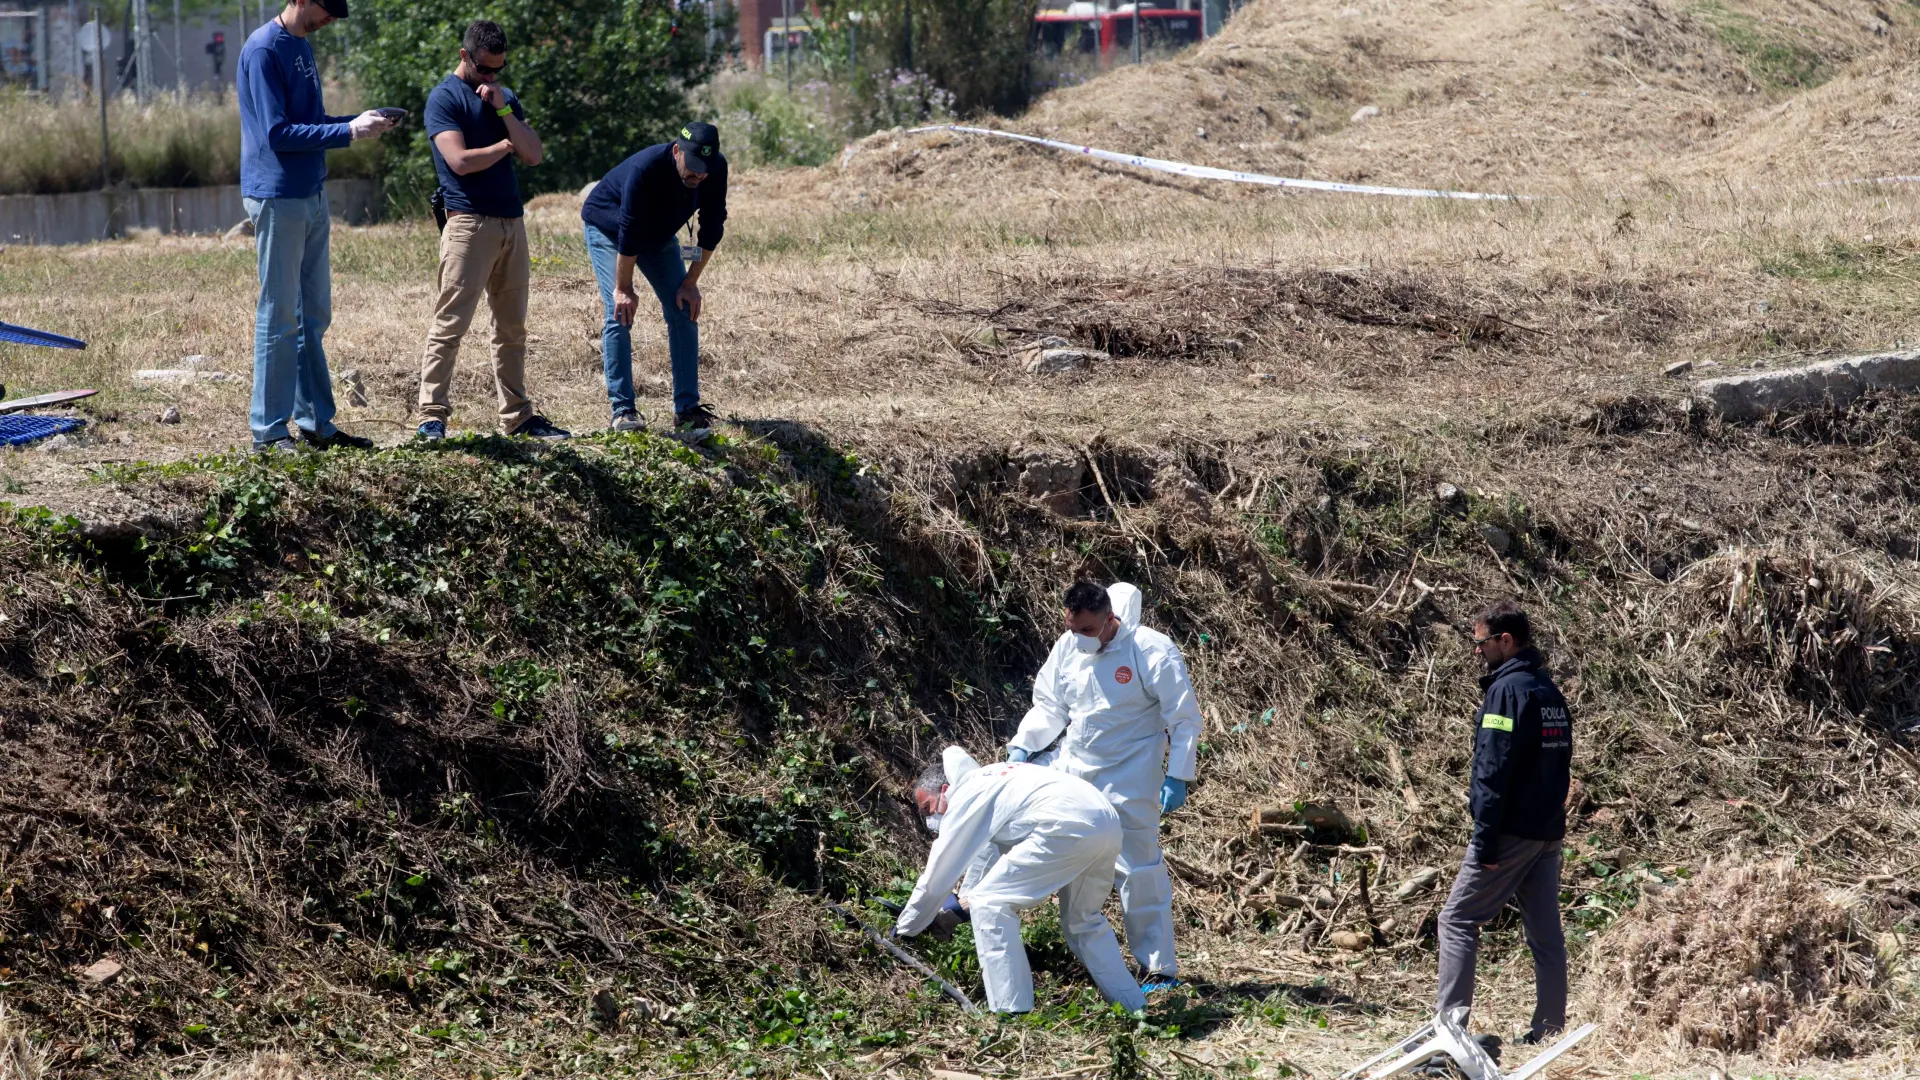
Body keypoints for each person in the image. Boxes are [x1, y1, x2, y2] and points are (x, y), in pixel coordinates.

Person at [1007, 580, 1202, 994]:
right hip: (1076, 767)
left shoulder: (1149, 649)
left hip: (1131, 773)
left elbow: (1182, 717)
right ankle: (966, 910)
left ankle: (1158, 969)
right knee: (1031, 831)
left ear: (1112, 619)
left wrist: (1178, 774)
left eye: (1088, 631)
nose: (1079, 638)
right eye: (1072, 628)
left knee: (1138, 869)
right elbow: (1050, 705)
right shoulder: (1068, 645)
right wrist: (1025, 744)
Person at [237, 0, 396, 453]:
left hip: (311, 191)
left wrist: (356, 123)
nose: (332, 19)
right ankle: (268, 433)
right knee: (279, 315)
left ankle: (316, 425)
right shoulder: (265, 49)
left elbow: (308, 124)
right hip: (278, 194)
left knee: (312, 315)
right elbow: (278, 134)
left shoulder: (301, 46)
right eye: (327, 9)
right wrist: (349, 133)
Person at [896, 746, 1148, 1016]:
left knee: (989, 903)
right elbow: (989, 854)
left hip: (1065, 825)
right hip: (1105, 822)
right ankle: (1134, 1008)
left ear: (945, 789)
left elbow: (939, 872)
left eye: (928, 808)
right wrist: (959, 905)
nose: (931, 819)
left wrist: (906, 928)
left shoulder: (966, 795)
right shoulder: (994, 779)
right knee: (1083, 921)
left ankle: (1011, 1012)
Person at [411, 20, 568, 442]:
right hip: (468, 223)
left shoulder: (505, 98)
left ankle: (517, 417)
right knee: (450, 325)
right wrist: (503, 146)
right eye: (485, 69)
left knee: (512, 329)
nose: (492, 76)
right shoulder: (444, 98)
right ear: (465, 57)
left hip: (511, 223)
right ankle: (431, 416)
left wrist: (502, 109)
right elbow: (459, 161)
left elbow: (533, 154)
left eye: (498, 69)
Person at [1435, 600, 1574, 1043]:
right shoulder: (1548, 689)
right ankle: (1550, 1030)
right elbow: (1560, 765)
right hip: (1547, 831)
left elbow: (1492, 768)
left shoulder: (1507, 692)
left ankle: (1449, 1033)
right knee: (1545, 933)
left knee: (1457, 920)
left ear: (1505, 641)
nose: (1477, 651)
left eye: (1481, 643)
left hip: (1511, 830)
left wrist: (1486, 837)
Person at [579, 123, 726, 435]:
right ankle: (623, 411)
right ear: (677, 152)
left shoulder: (715, 170)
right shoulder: (646, 169)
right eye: (694, 167)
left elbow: (712, 227)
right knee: (620, 312)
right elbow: (629, 232)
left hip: (657, 235)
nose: (699, 176)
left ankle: (687, 409)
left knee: (683, 307)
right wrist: (624, 288)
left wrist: (690, 282)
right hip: (610, 228)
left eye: (705, 170)